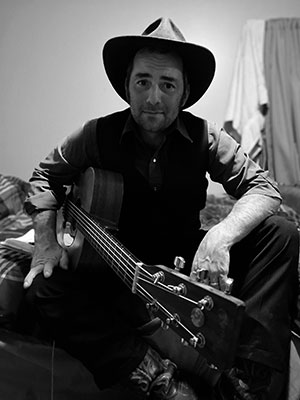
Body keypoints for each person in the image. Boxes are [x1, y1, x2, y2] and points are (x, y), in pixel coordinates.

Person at [23, 17, 299, 400]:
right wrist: (45, 241)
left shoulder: (207, 137)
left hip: (183, 257)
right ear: (127, 86)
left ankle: (250, 379)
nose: (153, 96)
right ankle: (159, 380)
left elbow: (264, 188)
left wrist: (221, 235)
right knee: (43, 287)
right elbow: (43, 177)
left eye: (167, 84)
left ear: (184, 93)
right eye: (143, 82)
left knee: (282, 232)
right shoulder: (95, 134)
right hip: (112, 266)